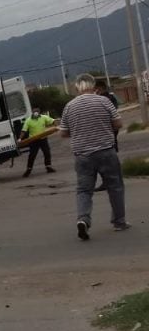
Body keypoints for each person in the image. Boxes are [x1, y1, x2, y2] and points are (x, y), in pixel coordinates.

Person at [59, 73, 128, 241]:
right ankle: (119, 222)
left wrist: (78, 131)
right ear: (93, 86)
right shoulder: (103, 101)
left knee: (84, 190)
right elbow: (118, 123)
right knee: (115, 187)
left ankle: (83, 220)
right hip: (106, 152)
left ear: (77, 87)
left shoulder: (69, 106)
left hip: (82, 156)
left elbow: (63, 133)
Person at [20, 108, 56, 176]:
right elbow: (24, 130)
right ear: (32, 113)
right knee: (32, 155)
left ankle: (48, 167)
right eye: (34, 112)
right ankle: (28, 169)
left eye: (37, 112)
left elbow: (52, 121)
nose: (36, 113)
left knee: (47, 152)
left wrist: (55, 125)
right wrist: (20, 139)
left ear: (39, 112)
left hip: (43, 138)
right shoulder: (28, 120)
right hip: (33, 140)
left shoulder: (43, 117)